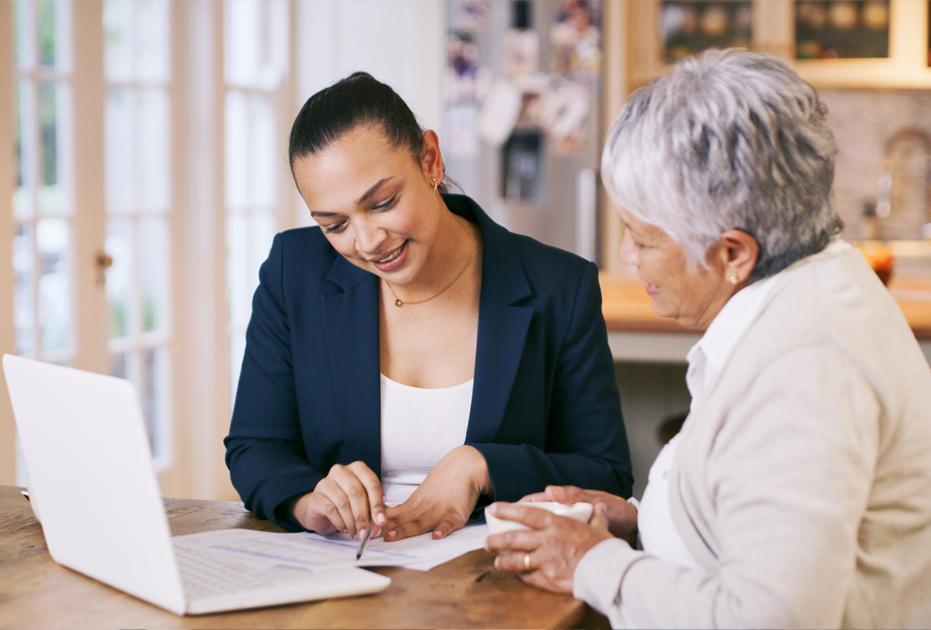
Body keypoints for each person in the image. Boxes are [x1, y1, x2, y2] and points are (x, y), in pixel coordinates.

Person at [485, 49, 931, 628]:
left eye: (642, 239)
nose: (625, 255)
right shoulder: (811, 286)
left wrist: (596, 564)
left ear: (733, 253)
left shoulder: (804, 370)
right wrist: (639, 522)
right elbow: (759, 522)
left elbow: (769, 618)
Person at [224, 72, 633, 544]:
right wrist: (307, 499)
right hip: (344, 575)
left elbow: (607, 475)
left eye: (383, 202)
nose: (368, 242)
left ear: (430, 160)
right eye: (334, 225)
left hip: (494, 579)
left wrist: (482, 465)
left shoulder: (559, 286)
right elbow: (255, 446)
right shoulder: (292, 272)